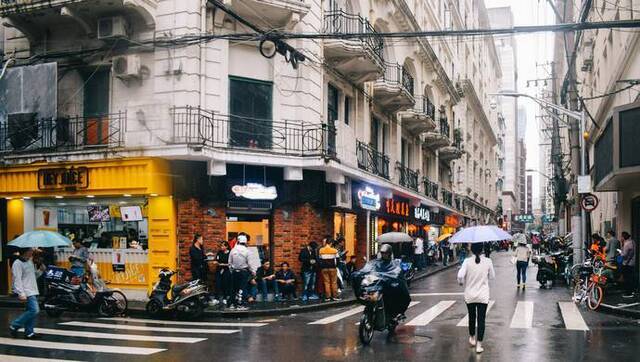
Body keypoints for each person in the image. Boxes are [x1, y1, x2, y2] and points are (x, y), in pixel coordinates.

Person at [352, 244, 411, 322]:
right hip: (377, 286)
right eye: (382, 253)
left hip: (389, 287)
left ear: (389, 253)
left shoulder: (395, 263)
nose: (384, 255)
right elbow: (367, 268)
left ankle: (394, 314)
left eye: (385, 253)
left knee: (398, 295)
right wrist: (359, 273)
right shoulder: (375, 262)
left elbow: (397, 272)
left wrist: (392, 277)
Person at [457, 243, 495, 354]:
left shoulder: (467, 261)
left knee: (472, 317)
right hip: (483, 295)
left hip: (470, 295)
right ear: (482, 249)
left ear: (472, 250)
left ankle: (472, 338)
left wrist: (461, 282)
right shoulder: (488, 261)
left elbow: (460, 276)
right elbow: (492, 276)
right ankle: (479, 345)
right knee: (481, 319)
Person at [9, 248, 44, 339]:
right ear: (25, 251)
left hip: (33, 289)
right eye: (30, 250)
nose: (32, 252)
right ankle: (15, 325)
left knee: (31, 312)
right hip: (26, 291)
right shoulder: (17, 263)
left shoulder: (30, 262)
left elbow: (33, 275)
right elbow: (17, 279)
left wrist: (40, 270)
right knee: (34, 310)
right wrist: (21, 293)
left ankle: (29, 333)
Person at [229, 234, 254, 310]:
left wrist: (232, 270)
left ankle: (232, 304)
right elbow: (250, 263)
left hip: (234, 272)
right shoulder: (247, 251)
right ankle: (240, 305)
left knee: (233, 288)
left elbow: (229, 262)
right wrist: (253, 271)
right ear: (245, 242)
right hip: (243, 272)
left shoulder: (233, 250)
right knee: (241, 288)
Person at [318, 237, 340, 302]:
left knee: (326, 282)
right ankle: (335, 296)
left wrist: (322, 266)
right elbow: (338, 260)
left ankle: (328, 297)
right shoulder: (334, 250)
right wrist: (336, 266)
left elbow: (320, 259)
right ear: (331, 243)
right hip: (332, 268)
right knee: (334, 282)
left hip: (324, 268)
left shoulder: (321, 250)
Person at [621, 232, 636, 298]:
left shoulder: (627, 244)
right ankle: (632, 291)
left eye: (621, 237)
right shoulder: (633, 242)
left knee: (627, 278)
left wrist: (620, 252)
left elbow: (624, 255)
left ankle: (628, 293)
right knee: (631, 277)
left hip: (627, 263)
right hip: (632, 263)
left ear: (623, 237)